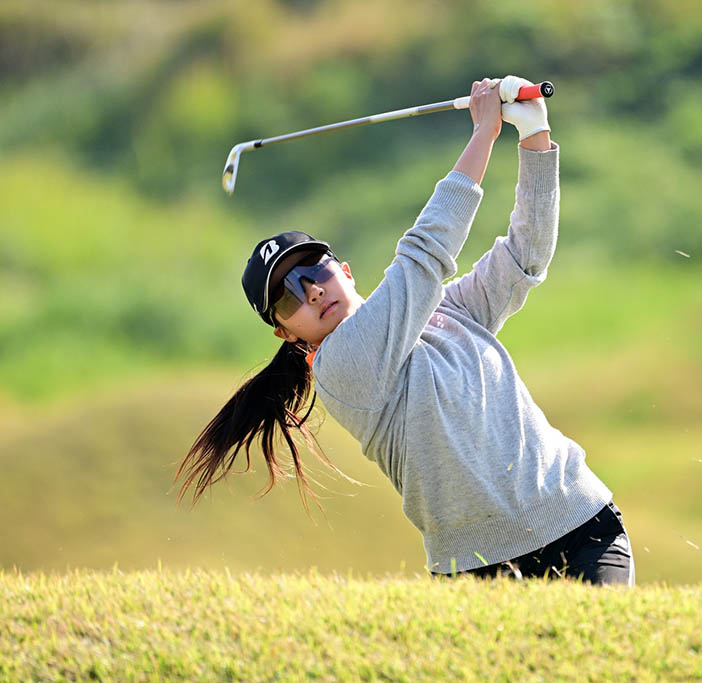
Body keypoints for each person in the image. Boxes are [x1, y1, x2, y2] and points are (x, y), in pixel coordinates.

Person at [178, 76, 634, 585]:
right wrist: (483, 132)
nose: (311, 290)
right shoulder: (340, 368)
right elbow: (424, 254)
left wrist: (535, 137)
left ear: (345, 271)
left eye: (315, 269)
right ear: (285, 333)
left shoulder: (449, 311)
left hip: (580, 523)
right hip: (478, 569)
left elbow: (526, 255)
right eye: (287, 295)